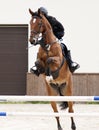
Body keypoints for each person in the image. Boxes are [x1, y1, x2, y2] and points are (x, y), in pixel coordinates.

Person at [30, 7, 80, 75]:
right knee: (40, 49)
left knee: (66, 46)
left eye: (41, 15)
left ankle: (71, 64)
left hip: (57, 36)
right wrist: (36, 40)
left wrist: (57, 36)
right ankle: (37, 67)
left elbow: (61, 29)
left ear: (45, 15)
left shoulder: (52, 19)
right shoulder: (40, 21)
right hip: (46, 38)